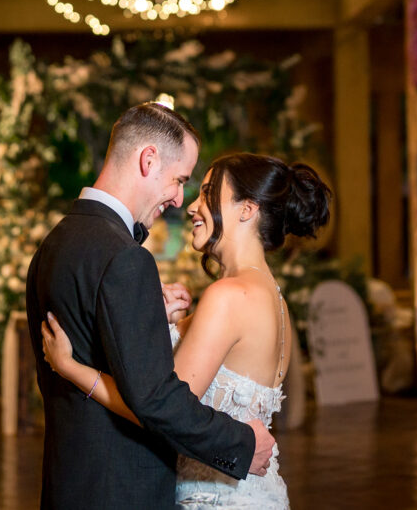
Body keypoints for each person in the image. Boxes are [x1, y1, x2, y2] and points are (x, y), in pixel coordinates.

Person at [43, 152, 332, 510]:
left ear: (247, 209)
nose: (192, 206)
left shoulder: (228, 297)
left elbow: (160, 410)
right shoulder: (275, 300)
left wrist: (71, 368)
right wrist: (160, 320)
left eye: (208, 194)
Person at [24, 102, 275, 509]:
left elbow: (98, 339)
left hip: (68, 483)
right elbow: (154, 398)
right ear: (148, 159)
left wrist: (147, 318)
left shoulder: (54, 244)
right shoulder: (125, 256)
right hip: (121, 490)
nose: (179, 199)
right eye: (179, 180)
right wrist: (242, 444)